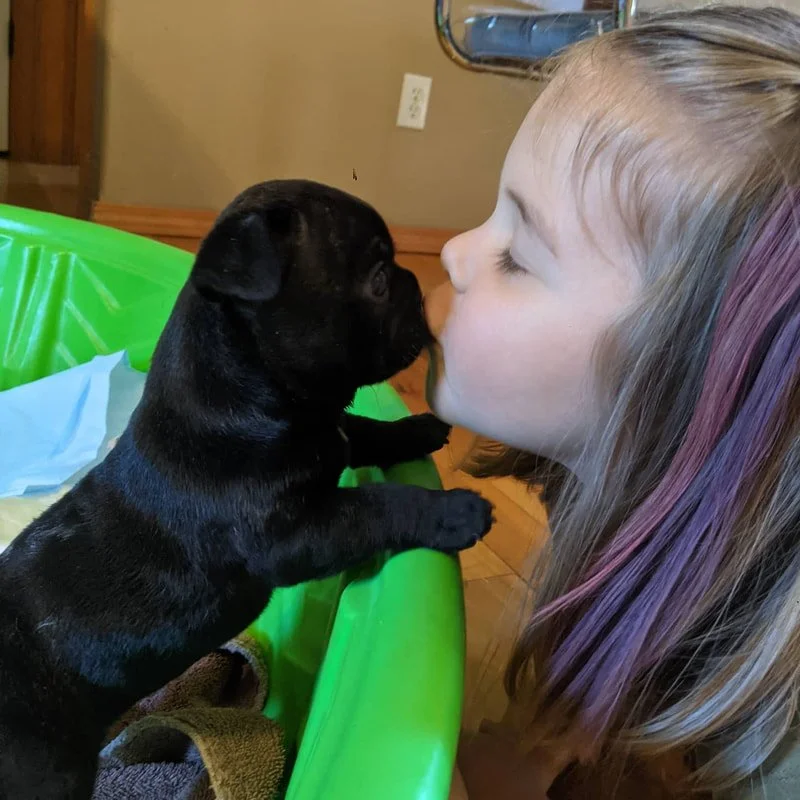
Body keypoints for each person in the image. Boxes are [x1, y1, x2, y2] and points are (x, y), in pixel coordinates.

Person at [425, 7, 800, 798]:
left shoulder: (777, 751)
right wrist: (538, 755)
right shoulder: (614, 476)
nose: (457, 251)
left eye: (519, 257)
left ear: (684, 392)